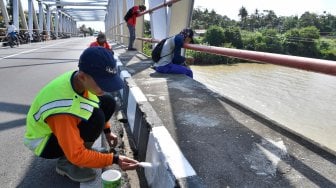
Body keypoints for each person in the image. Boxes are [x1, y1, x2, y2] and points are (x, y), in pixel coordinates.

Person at [24, 47, 139, 182]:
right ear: (83, 77)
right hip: (45, 142)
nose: (106, 87)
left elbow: (95, 102)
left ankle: (84, 151)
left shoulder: (79, 81)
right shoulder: (62, 109)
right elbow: (77, 150)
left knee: (107, 102)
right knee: (96, 118)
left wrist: (107, 131)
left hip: (58, 128)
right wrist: (114, 159)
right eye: (102, 83)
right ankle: (66, 163)